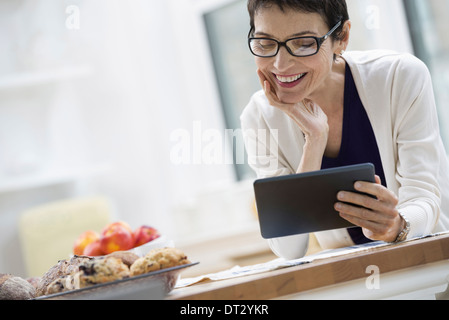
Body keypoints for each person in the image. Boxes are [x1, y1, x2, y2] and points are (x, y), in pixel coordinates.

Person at [241, 0, 449, 260]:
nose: (280, 65)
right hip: (354, 280)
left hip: (432, 270)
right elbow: (288, 247)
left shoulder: (399, 76)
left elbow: (426, 198)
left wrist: (396, 225)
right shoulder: (259, 116)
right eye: (265, 44)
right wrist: (314, 140)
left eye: (304, 43)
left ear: (342, 37)